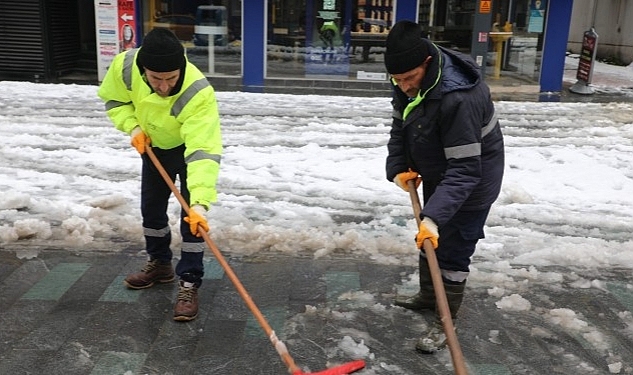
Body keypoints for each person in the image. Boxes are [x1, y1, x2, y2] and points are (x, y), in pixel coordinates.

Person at [383, 20, 504, 353]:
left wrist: (433, 218)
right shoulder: (407, 76)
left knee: (452, 250)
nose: (403, 86)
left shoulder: (459, 98)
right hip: (440, 169)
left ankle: (445, 322)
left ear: (426, 63)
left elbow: (466, 169)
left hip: (473, 180)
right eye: (396, 79)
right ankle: (427, 296)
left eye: (408, 79)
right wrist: (398, 168)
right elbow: (401, 125)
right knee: (429, 239)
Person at [98, 28, 222, 322]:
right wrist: (133, 127)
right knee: (151, 210)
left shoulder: (197, 91)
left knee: (191, 222)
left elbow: (203, 150)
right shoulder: (125, 67)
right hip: (152, 145)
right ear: (144, 70)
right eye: (156, 79)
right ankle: (160, 264)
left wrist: (200, 203)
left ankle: (189, 282)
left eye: (171, 78)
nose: (164, 86)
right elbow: (115, 101)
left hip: (187, 149)